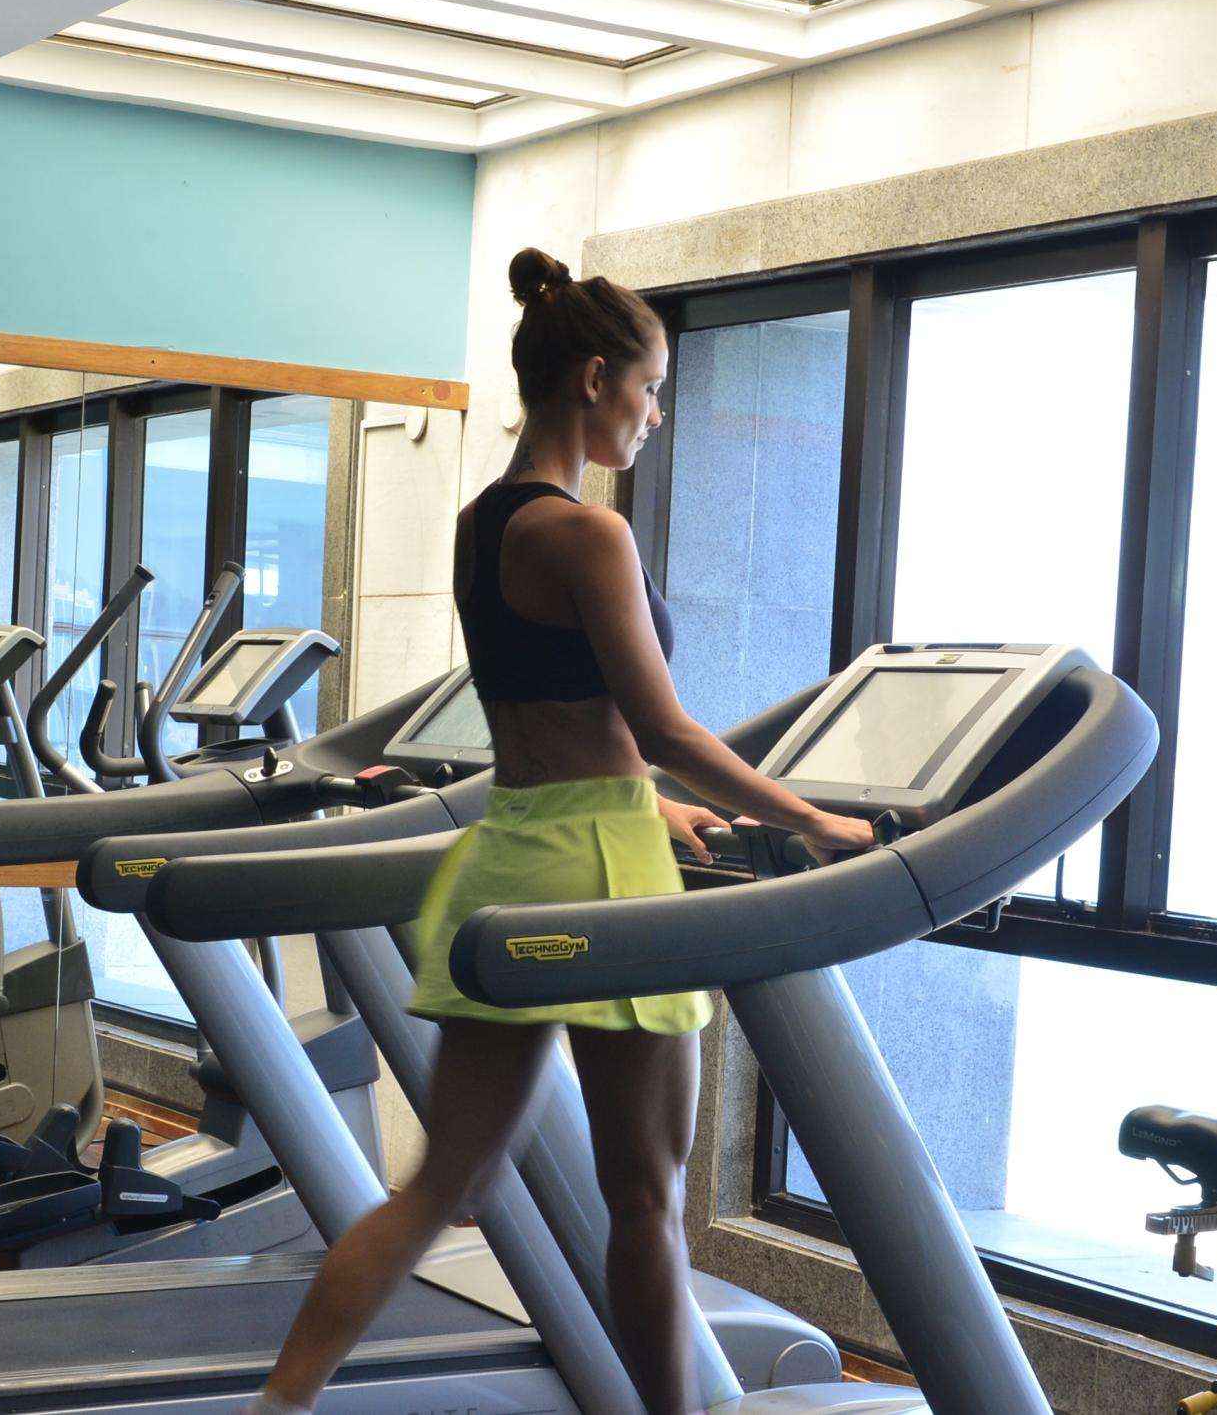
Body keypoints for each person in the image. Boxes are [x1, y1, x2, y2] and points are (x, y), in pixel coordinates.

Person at [247, 249, 878, 1415]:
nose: (652, 415)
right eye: (649, 389)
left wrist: (662, 801)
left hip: (511, 859)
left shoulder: (481, 522)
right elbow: (664, 725)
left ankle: (280, 1401)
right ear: (593, 378)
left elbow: (559, 718)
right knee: (644, 1196)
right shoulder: (591, 536)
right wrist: (812, 818)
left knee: (440, 1183)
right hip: (601, 877)